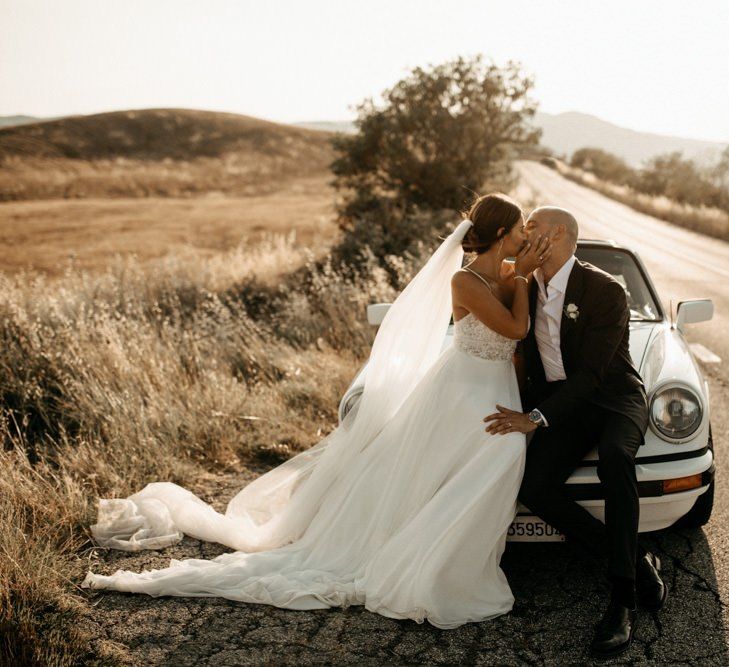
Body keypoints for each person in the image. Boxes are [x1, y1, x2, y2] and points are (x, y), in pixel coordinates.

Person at [82, 193, 550, 630]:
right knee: (482, 461)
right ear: (502, 232)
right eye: (519, 229)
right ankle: (428, 564)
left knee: (491, 460)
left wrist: (519, 278)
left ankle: (450, 556)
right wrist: (524, 279)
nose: (525, 237)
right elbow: (513, 327)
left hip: (496, 388)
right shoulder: (464, 279)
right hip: (463, 390)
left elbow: (516, 343)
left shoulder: (507, 275)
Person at [483, 206, 667, 658]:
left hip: (613, 399)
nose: (524, 235)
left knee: (615, 459)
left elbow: (591, 377)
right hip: (565, 405)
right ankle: (633, 559)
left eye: (532, 228)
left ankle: (622, 601)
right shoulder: (522, 285)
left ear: (558, 233)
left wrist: (537, 420)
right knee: (535, 483)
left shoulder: (605, 289)